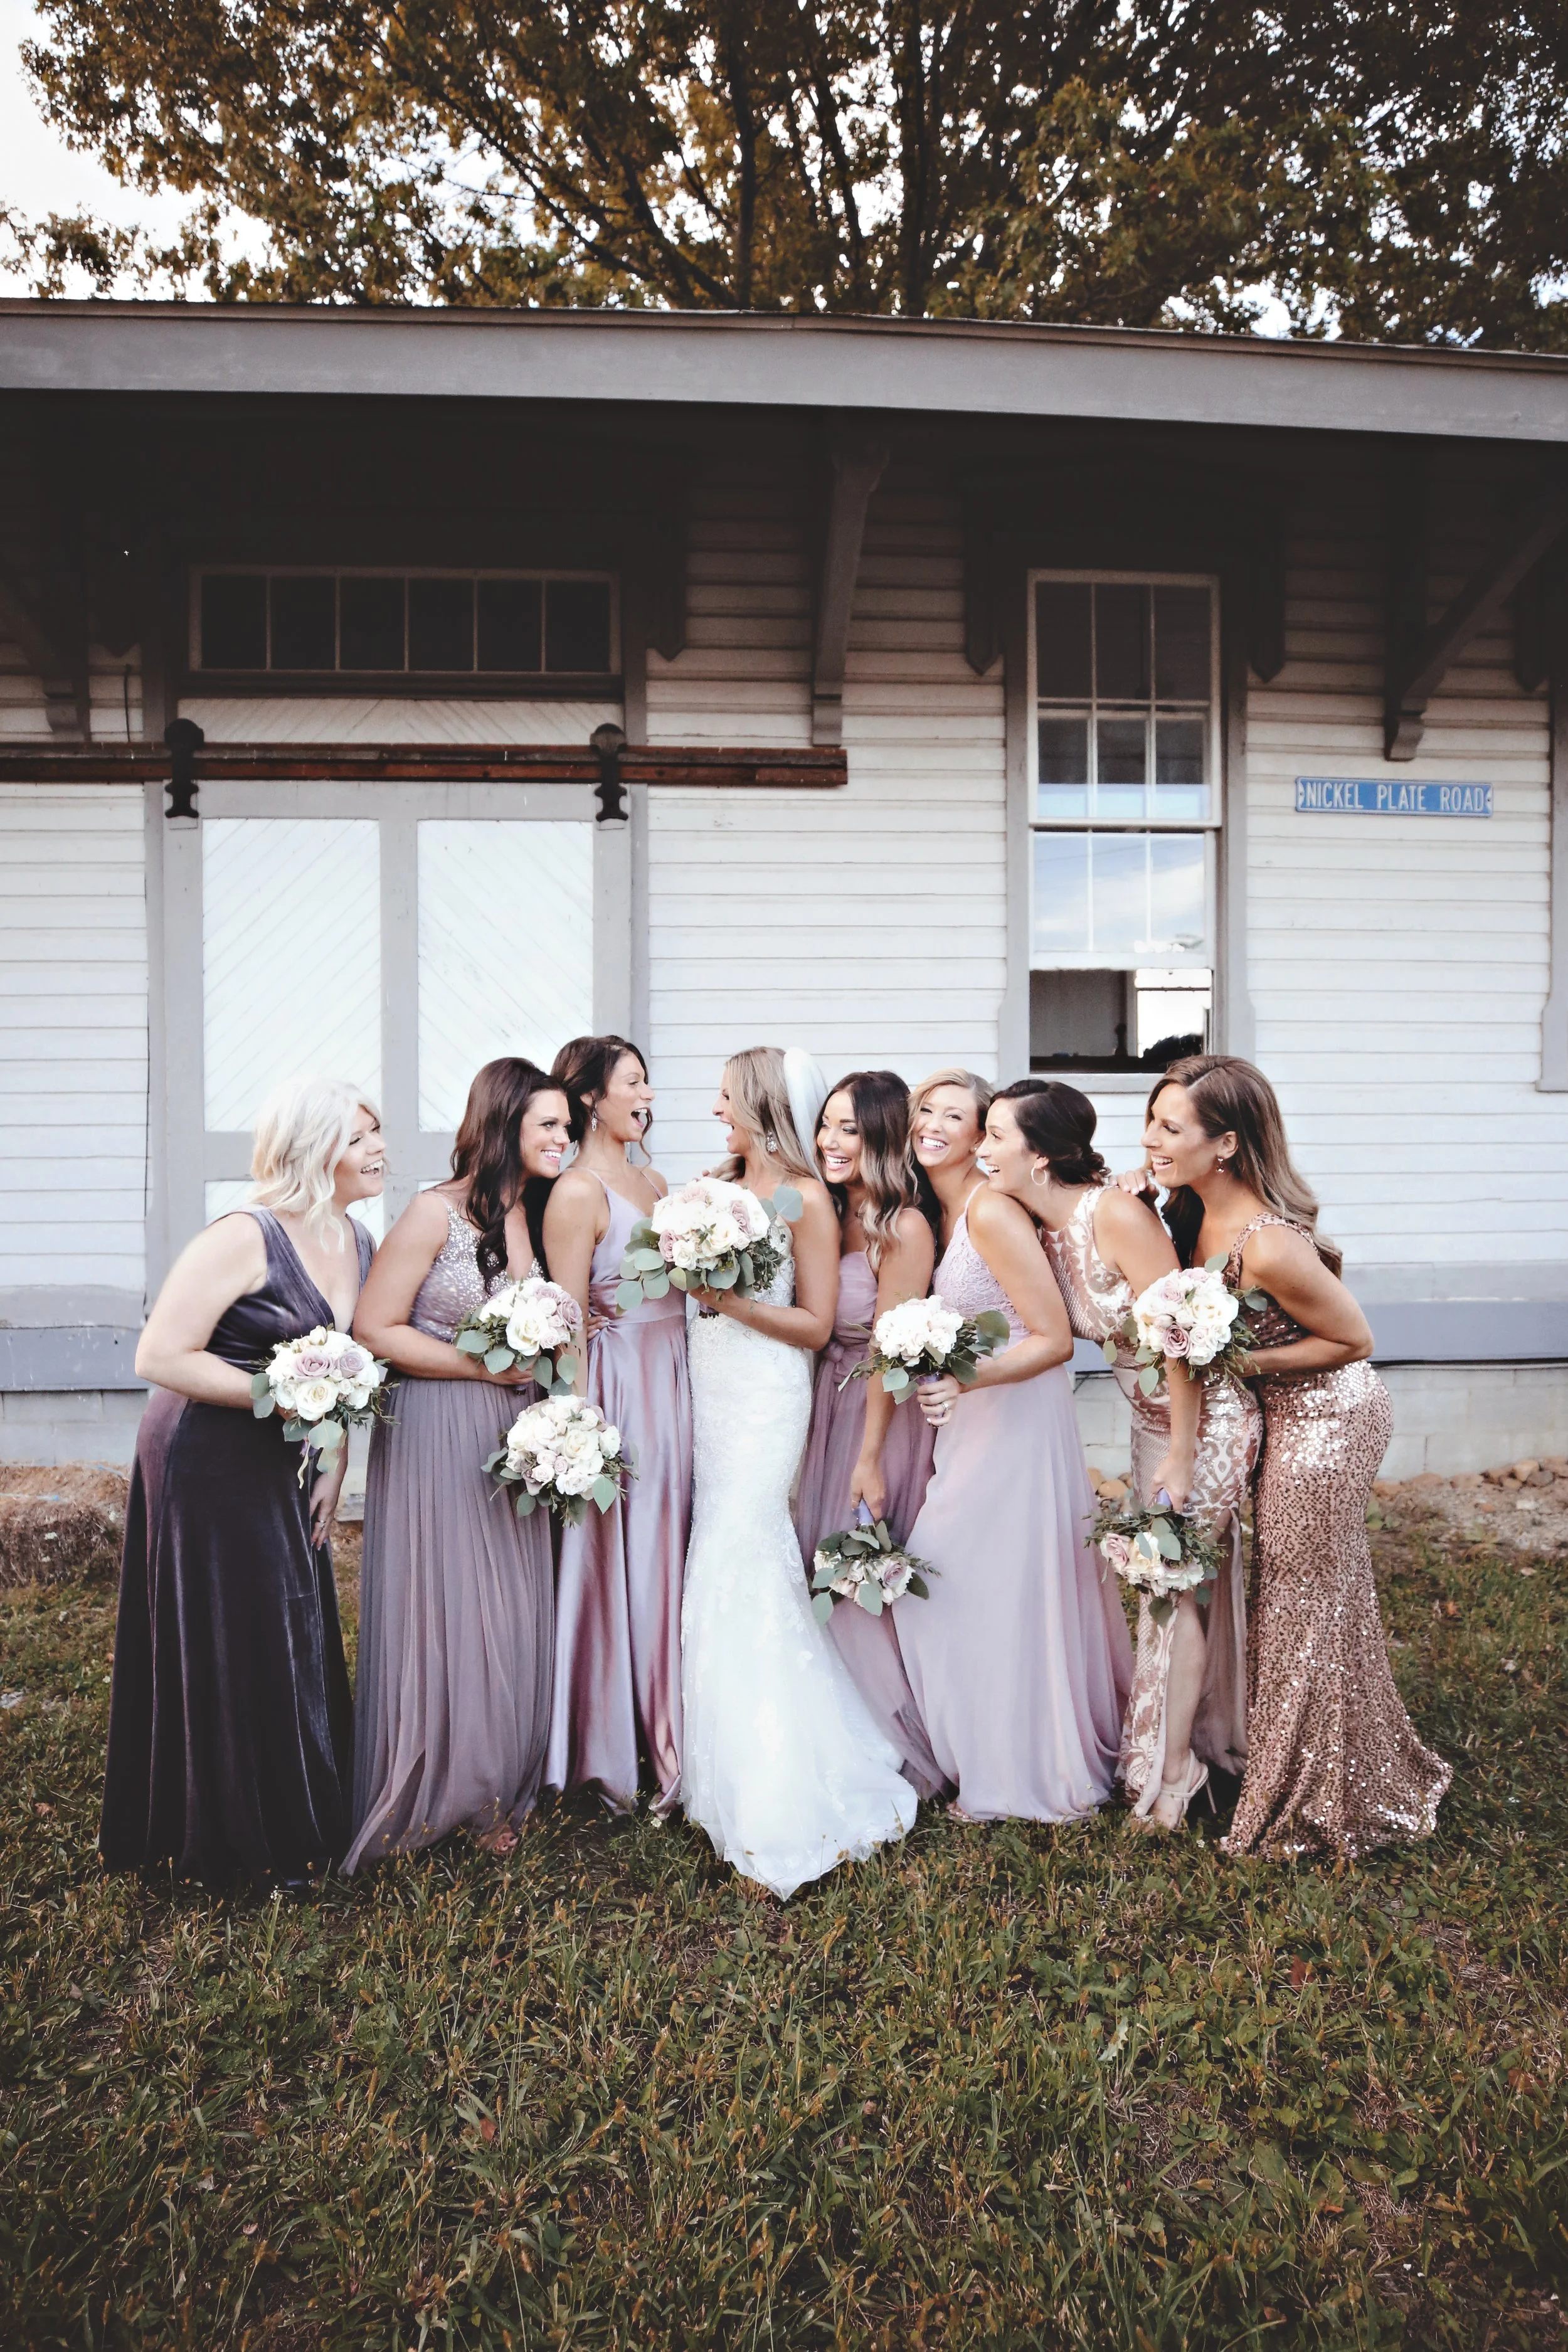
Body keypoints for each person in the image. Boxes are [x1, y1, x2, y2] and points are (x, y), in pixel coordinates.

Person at [1141, 1053, 1450, 1859]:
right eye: (1152, 1120)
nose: (1151, 1139)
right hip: (1275, 1418)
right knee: (1309, 1596)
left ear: (1227, 1144)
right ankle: (1343, 1763)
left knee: (1297, 1602)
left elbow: (1355, 1340)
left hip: (1328, 1419)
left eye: (1171, 1128)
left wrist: (1236, 1362)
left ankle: (1307, 1803)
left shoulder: (1268, 1245)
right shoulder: (1182, 1212)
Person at [100, 1078, 382, 1890]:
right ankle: (227, 1834)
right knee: (232, 1620)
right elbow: (158, 1356)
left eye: (378, 1132)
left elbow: (343, 1364)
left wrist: (336, 1453)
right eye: (361, 1135)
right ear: (314, 1147)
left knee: (289, 1611)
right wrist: (280, 1394)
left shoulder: (358, 1239)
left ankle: (297, 1813)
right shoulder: (242, 1235)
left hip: (287, 1449)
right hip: (205, 1448)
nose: (379, 1148)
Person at [678, 1046, 918, 1898]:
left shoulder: (805, 1199)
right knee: (718, 1546)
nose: (716, 1110)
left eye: (725, 1097)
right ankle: (715, 1758)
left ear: (758, 1105)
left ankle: (775, 1782)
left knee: (745, 1549)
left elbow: (818, 1325)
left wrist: (727, 1301)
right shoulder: (734, 1190)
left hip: (765, 1395)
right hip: (710, 1389)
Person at [988, 1079, 1258, 1832]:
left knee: (1168, 1583)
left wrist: (1179, 1451)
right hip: (1148, 1424)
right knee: (1158, 1586)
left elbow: (1182, 1330)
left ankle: (1175, 1774)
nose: (983, 1151)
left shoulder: (1111, 1213)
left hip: (1200, 1423)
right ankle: (1183, 1746)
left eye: (995, 1137)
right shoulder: (1044, 1228)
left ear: (1038, 1157)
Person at [346, 1059, 571, 1868]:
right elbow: (377, 1326)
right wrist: (482, 1369)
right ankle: (446, 1781)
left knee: (509, 1603)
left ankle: (497, 1774)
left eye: (565, 1125)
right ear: (505, 1124)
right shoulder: (431, 1215)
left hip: (509, 1429)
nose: (562, 1137)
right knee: (451, 1604)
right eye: (548, 1123)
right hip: (439, 1424)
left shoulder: (526, 1214)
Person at [896, 1070, 1133, 1823]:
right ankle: (987, 1755)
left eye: (964, 1118)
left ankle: (1016, 1773)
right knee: (981, 1590)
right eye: (924, 1110)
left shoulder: (992, 1213)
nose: (934, 1124)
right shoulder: (938, 1214)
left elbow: (1055, 1339)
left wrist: (963, 1377)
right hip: (971, 1425)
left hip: (1013, 1421)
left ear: (981, 1139)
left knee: (969, 1587)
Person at [543, 1035, 691, 1818]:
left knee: (669, 1540)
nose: (648, 1096)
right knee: (620, 1549)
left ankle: (666, 1711)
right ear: (592, 1098)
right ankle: (611, 1738)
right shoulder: (577, 1193)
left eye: (649, 1082)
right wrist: (574, 1421)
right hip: (619, 1384)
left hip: (675, 1375)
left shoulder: (657, 1178)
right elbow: (568, 1318)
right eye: (633, 1083)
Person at [793, 1069, 944, 1799]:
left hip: (877, 1413)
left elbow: (892, 1350)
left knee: (863, 1567)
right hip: (828, 1401)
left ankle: (894, 1733)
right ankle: (834, 1718)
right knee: (821, 1559)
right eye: (825, 1124)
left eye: (849, 1128)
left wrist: (871, 1458)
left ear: (883, 1136)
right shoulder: (827, 1208)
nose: (830, 1140)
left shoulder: (903, 1226)